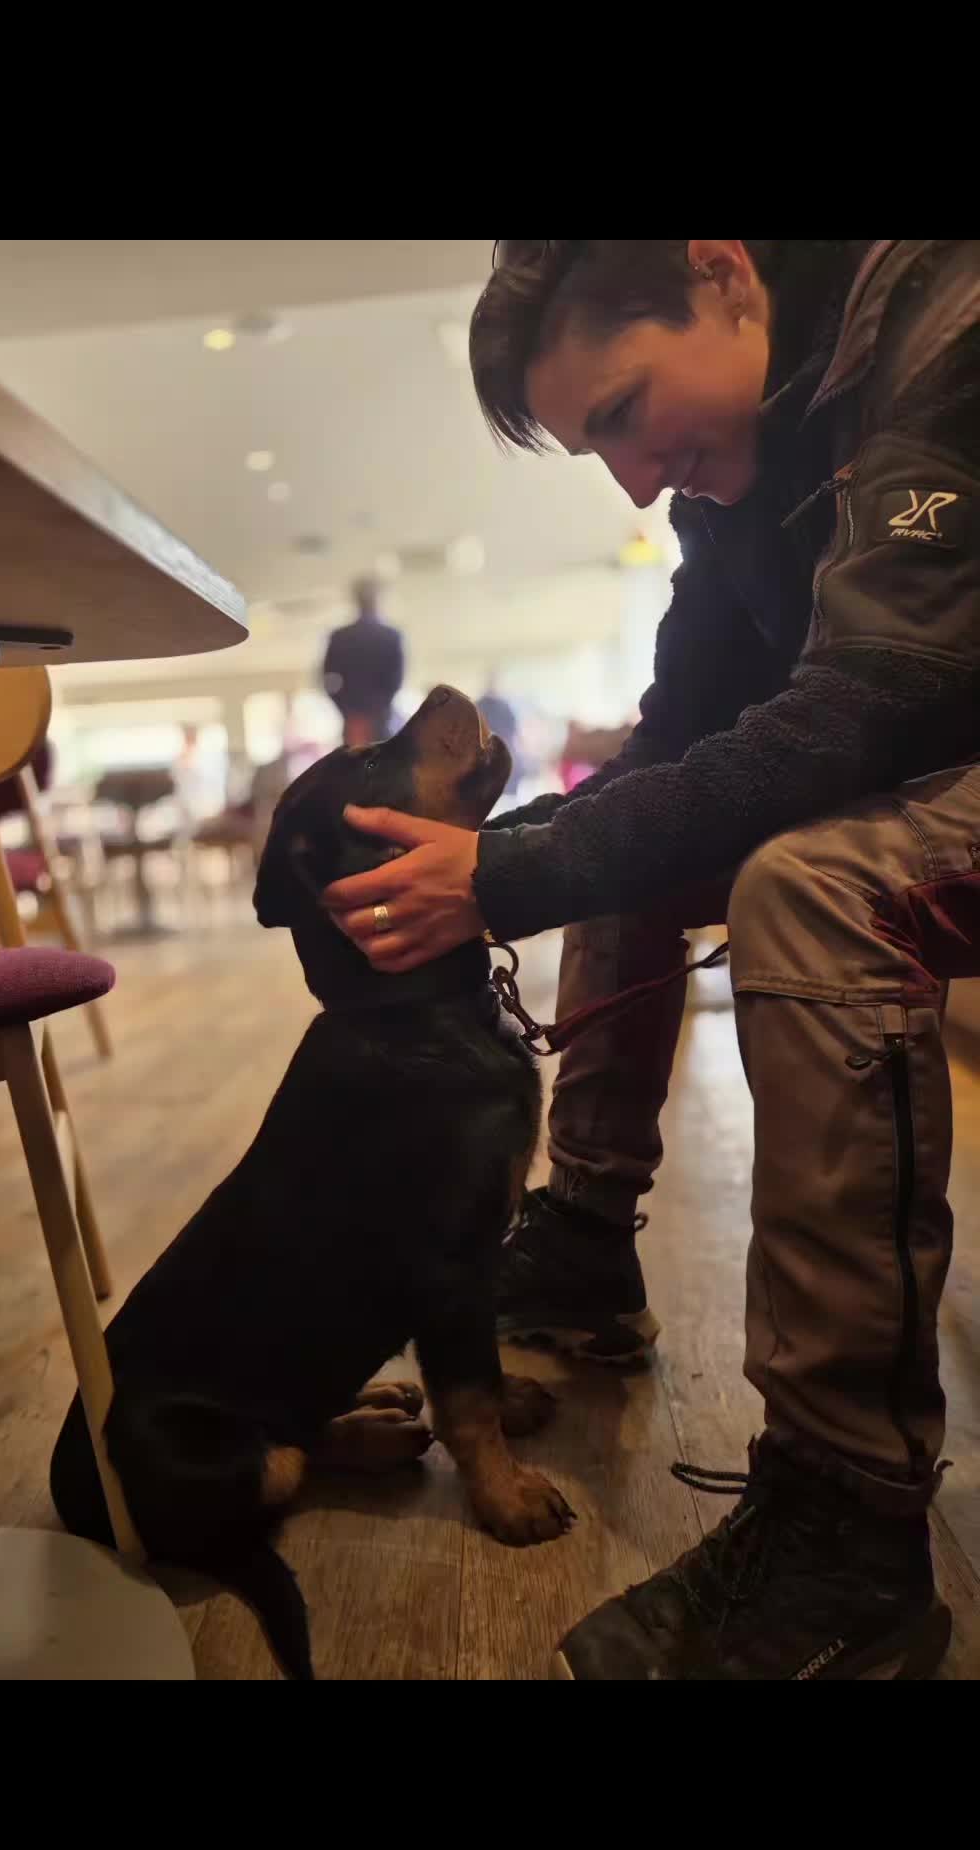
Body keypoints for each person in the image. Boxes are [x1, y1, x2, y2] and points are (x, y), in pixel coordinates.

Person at [320, 239, 980, 1682]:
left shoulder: (943, 323)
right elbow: (685, 740)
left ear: (725, 273)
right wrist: (539, 853)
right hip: (926, 746)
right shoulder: (732, 468)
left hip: (934, 739)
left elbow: (870, 706)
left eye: (621, 411)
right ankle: (579, 1246)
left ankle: (850, 1536)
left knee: (810, 889)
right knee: (623, 829)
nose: (629, 477)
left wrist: (507, 869)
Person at [321, 577, 406, 747]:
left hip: (355, 717)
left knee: (353, 765)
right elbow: (396, 679)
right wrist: (376, 707)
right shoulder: (391, 636)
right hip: (375, 717)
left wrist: (346, 708)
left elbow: (328, 678)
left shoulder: (340, 636)